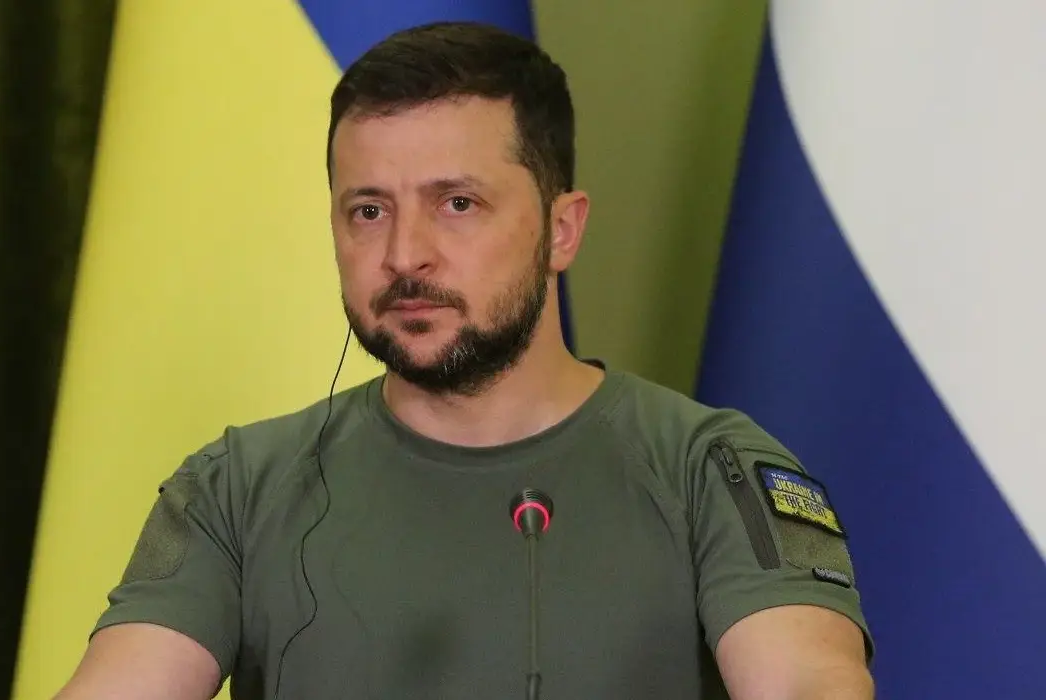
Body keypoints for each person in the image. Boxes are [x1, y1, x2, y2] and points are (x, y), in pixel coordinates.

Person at [55, 21, 874, 700]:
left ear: (561, 229)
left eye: (457, 204)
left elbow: (806, 683)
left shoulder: (712, 471)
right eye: (368, 211)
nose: (404, 254)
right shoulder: (233, 488)